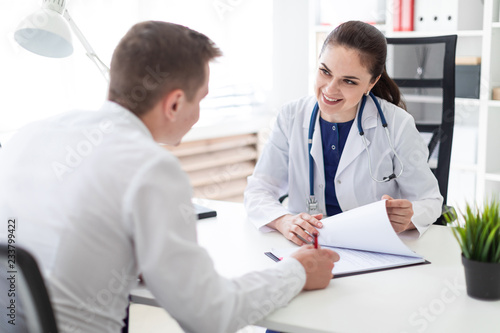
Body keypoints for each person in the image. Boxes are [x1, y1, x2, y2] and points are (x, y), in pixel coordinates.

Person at [0, 21, 339, 333]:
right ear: (175, 103)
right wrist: (297, 271)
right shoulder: (150, 168)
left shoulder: (30, 134)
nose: (200, 111)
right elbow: (209, 315)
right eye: (201, 98)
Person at [244, 21, 443, 246]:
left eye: (348, 81)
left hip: (371, 245)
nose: (330, 89)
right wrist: (283, 221)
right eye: (325, 72)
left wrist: (407, 218)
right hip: (308, 247)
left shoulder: (397, 125)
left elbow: (430, 200)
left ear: (372, 82)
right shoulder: (291, 116)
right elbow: (259, 189)